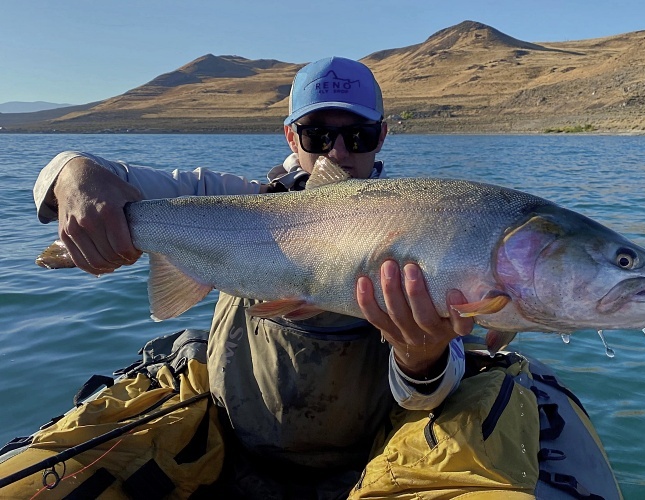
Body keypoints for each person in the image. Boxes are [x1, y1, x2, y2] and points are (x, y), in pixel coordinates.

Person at [33, 56, 473, 498]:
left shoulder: (421, 229)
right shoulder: (228, 200)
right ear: (290, 136)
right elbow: (87, 177)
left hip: (363, 463)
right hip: (231, 447)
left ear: (381, 136)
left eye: (357, 135)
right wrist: (73, 174)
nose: (337, 153)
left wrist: (421, 356)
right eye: (317, 135)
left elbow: (428, 400)